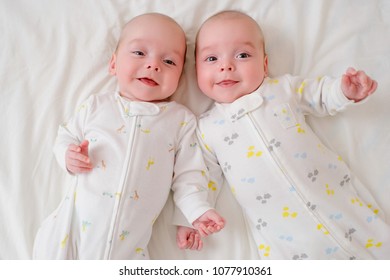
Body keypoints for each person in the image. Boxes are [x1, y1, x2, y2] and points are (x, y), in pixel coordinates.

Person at [177, 10, 390, 259]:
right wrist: (192, 214)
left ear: (264, 65)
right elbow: (196, 177)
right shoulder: (207, 129)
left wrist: (344, 91)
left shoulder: (282, 90)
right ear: (196, 72)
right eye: (211, 58)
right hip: (287, 240)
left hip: (342, 208)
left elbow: (319, 95)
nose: (226, 66)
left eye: (243, 55)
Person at [33, 13, 224, 260]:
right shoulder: (96, 106)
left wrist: (194, 212)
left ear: (180, 77)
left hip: (128, 251)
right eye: (139, 53)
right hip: (68, 236)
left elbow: (190, 175)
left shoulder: (180, 121)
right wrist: (67, 155)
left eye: (168, 61)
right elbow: (65, 135)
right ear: (113, 64)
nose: (153, 65)